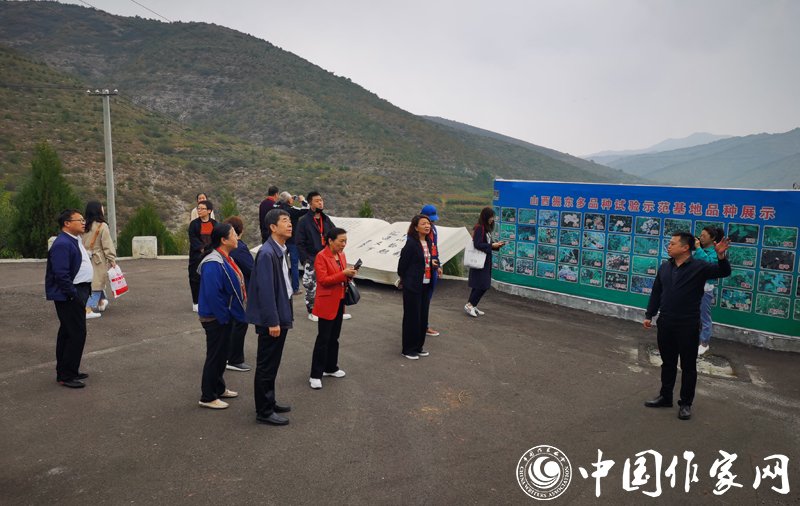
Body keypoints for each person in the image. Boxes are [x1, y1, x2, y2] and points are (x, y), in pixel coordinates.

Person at [643, 231, 731, 421]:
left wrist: (721, 255)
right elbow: (657, 292)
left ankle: (685, 404)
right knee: (668, 363)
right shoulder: (665, 267)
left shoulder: (699, 267)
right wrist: (649, 314)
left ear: (685, 248)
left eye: (672, 244)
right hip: (665, 323)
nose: (668, 246)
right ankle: (665, 397)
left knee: (688, 366)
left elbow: (723, 272)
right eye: (669, 243)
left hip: (688, 325)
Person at [246, 209, 294, 426]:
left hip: (279, 315)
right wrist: (273, 321)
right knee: (266, 365)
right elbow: (265, 291)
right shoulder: (267, 253)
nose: (290, 224)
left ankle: (269, 401)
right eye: (285, 221)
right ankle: (264, 411)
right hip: (272, 320)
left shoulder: (280, 250)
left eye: (290, 220)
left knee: (272, 363)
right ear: (273, 227)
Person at [197, 223, 247, 409]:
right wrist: (224, 317)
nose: (237, 237)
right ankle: (208, 397)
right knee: (215, 356)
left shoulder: (225, 257)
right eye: (233, 234)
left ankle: (218, 388)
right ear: (224, 240)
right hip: (215, 317)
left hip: (223, 315)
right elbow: (212, 294)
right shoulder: (213, 262)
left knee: (221, 355)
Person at [46, 209, 94, 388]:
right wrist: (73, 294)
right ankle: (67, 375)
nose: (83, 222)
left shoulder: (74, 240)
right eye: (79, 220)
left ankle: (67, 370)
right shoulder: (62, 243)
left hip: (78, 291)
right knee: (76, 334)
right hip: (70, 294)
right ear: (67, 223)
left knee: (68, 332)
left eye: (83, 219)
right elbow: (61, 273)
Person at [309, 227, 359, 389]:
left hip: (339, 300)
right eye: (341, 241)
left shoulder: (341, 255)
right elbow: (323, 280)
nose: (344, 244)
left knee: (334, 337)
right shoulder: (321, 256)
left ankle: (330, 367)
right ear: (330, 241)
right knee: (323, 338)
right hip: (326, 302)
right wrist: (344, 273)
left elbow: (341, 277)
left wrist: (350, 274)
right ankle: (315, 374)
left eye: (345, 241)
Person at [296, 191, 351, 321]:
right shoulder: (304, 221)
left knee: (332, 284)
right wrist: (305, 259)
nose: (320, 203)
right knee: (311, 285)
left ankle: (336, 310)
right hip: (312, 257)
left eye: (321, 200)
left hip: (328, 257)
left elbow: (335, 235)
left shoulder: (326, 219)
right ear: (310, 204)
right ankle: (312, 311)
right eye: (317, 201)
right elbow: (299, 242)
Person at [397, 215, 439, 360]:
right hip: (413, 285)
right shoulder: (411, 244)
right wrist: (404, 279)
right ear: (415, 227)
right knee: (411, 317)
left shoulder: (428, 242)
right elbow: (402, 265)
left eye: (428, 223)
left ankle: (418, 346)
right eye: (423, 224)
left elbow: (423, 260)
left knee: (422, 316)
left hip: (425, 284)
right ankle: (408, 349)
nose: (427, 226)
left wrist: (432, 264)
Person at [224, 216, 254, 373]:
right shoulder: (240, 248)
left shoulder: (223, 247)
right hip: (241, 291)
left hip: (228, 291)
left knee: (231, 323)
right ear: (241, 231)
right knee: (240, 323)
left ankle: (227, 355)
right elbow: (251, 270)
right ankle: (235, 359)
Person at [464, 207, 505, 317]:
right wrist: (492, 246)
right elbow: (477, 244)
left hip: (485, 261)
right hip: (480, 260)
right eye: (491, 217)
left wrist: (496, 245)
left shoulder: (486, 229)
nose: (492, 219)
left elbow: (487, 243)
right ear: (486, 217)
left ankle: (472, 304)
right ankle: (470, 304)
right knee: (483, 284)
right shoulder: (480, 228)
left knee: (479, 284)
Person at [82, 201, 116, 319]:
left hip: (83, 257)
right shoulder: (102, 226)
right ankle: (88, 309)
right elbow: (107, 244)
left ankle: (101, 303)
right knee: (97, 283)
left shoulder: (83, 225)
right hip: (97, 258)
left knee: (90, 281)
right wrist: (112, 260)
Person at [694, 226, 724, 356]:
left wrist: (698, 249)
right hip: (694, 286)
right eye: (701, 235)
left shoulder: (714, 252)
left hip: (705, 289)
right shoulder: (701, 249)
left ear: (713, 238)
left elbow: (708, 264)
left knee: (705, 317)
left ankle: (704, 344)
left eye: (704, 236)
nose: (701, 238)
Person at [276, 191, 310, 295]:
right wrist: (302, 200)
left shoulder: (277, 209)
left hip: (281, 240)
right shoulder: (292, 210)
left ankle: (282, 288)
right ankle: (295, 288)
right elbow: (307, 208)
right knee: (294, 265)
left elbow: (276, 203)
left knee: (281, 264)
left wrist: (286, 199)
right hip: (293, 240)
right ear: (289, 201)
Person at [188, 200, 217, 312]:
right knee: (195, 278)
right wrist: (202, 249)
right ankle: (196, 302)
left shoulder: (214, 224)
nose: (199, 210)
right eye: (198, 208)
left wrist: (210, 250)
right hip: (197, 256)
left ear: (209, 211)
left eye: (202, 208)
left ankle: (210, 301)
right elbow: (193, 239)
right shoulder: (194, 224)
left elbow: (217, 238)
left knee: (211, 278)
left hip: (212, 255)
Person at [420, 205, 443, 337]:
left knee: (427, 299)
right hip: (421, 270)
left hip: (432, 268)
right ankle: (418, 326)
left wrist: (437, 265)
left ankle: (424, 326)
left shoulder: (433, 230)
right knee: (420, 299)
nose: (431, 223)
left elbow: (434, 248)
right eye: (429, 220)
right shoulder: (415, 231)